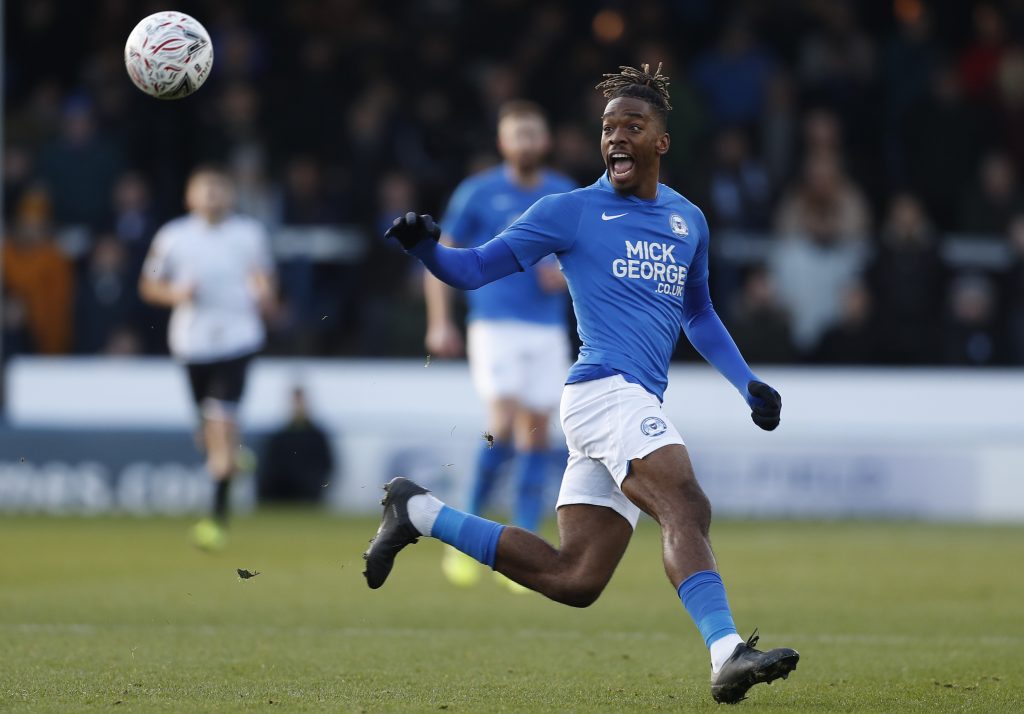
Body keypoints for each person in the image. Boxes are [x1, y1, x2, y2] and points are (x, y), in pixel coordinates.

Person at [364, 64, 798, 704]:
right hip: (604, 390)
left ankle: (419, 511)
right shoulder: (569, 211)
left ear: (661, 142)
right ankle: (727, 652)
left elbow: (698, 313)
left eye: (633, 126)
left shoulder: (689, 221)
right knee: (685, 504)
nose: (616, 137)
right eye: (607, 128)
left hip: (631, 399)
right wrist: (426, 250)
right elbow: (476, 266)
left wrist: (745, 382)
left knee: (576, 578)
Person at [423, 100, 575, 589]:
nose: (526, 142)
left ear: (545, 141)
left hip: (546, 329)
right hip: (494, 323)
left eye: (533, 134)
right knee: (503, 422)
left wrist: (566, 277)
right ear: (502, 142)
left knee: (538, 430)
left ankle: (523, 546)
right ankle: (469, 534)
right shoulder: (479, 192)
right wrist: (439, 320)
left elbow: (589, 258)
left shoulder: (562, 193)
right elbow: (440, 255)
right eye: (518, 134)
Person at [139, 166, 276, 550]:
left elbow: (264, 277)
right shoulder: (172, 237)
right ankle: (233, 452)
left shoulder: (249, 234)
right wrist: (175, 294)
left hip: (237, 340)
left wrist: (264, 294)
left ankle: (216, 521)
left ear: (230, 196)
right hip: (192, 344)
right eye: (205, 188)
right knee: (209, 436)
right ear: (190, 197)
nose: (213, 195)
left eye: (219, 188)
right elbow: (149, 283)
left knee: (220, 421)